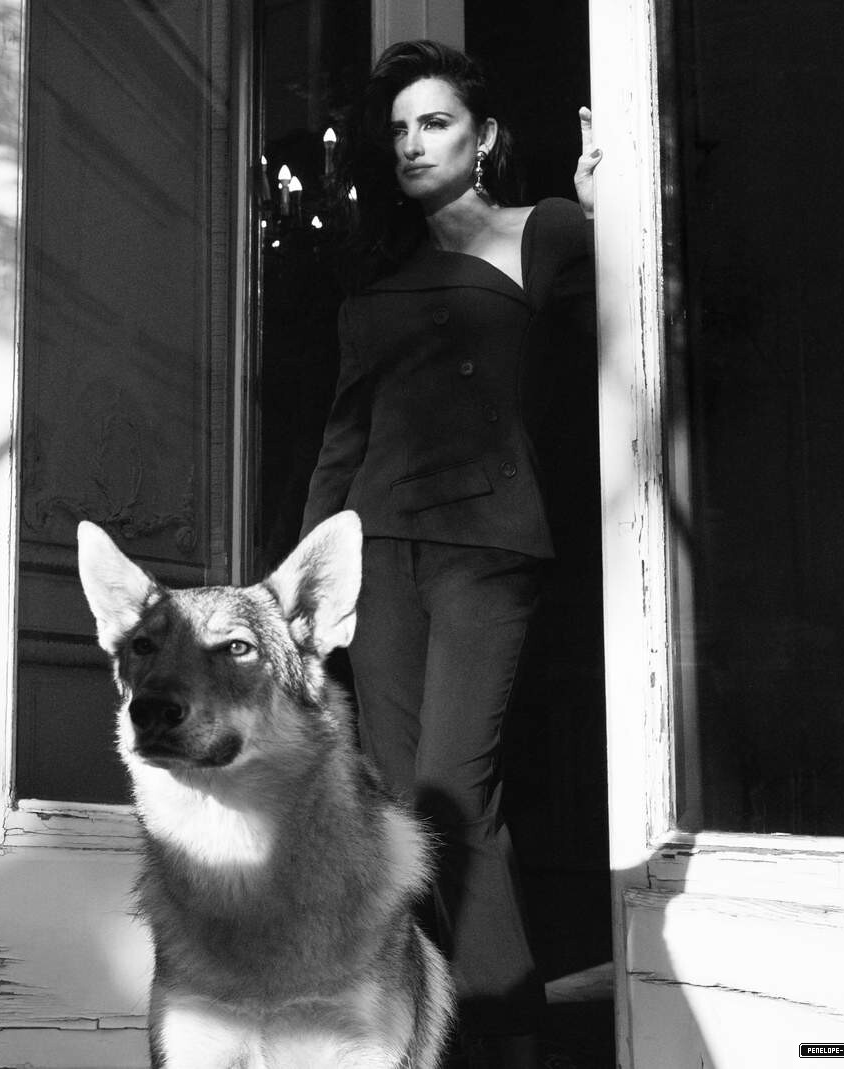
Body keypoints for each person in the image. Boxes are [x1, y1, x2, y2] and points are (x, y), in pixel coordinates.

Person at [299, 39, 602, 1069]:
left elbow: (631, 333)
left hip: (489, 547)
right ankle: (443, 1034)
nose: (412, 144)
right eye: (398, 129)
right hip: (382, 550)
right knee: (400, 802)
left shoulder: (544, 232)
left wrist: (611, 219)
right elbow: (343, 437)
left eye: (434, 122)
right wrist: (302, 591)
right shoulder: (375, 274)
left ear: (485, 138)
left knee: (455, 791)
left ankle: (510, 1034)